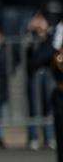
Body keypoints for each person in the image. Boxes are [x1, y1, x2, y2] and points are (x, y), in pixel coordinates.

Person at [25, 11, 55, 150]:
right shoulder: (30, 37)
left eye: (41, 20)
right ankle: (34, 137)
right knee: (34, 106)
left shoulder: (52, 36)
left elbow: (50, 53)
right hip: (34, 75)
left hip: (48, 75)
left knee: (48, 106)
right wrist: (29, 32)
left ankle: (49, 137)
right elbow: (24, 52)